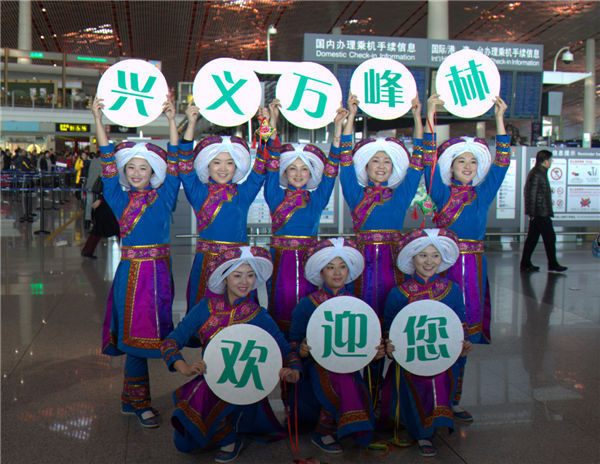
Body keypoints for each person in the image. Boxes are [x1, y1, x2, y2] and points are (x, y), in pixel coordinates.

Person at [160, 246, 301, 463]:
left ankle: (229, 438)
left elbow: (287, 351)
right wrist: (184, 367)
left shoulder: (258, 315)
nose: (245, 282)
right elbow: (171, 341)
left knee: (204, 418)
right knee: (184, 442)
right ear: (224, 278)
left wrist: (293, 371)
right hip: (212, 379)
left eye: (250, 275)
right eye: (237, 275)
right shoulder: (205, 308)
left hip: (247, 386)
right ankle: (224, 430)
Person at [92, 95, 180, 428]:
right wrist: (97, 118)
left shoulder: (166, 194)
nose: (138, 172)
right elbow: (106, 161)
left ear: (153, 172)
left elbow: (175, 161)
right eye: (132, 167)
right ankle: (138, 400)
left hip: (159, 272)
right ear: (125, 172)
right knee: (135, 337)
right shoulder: (117, 195)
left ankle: (133, 399)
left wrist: (173, 121)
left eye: (144, 168)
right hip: (132, 276)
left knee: (150, 334)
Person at [422, 94, 509, 420]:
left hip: (472, 270)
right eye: (462, 162)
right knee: (436, 329)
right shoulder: (439, 190)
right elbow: (428, 159)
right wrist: (431, 112)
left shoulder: (482, 193)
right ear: (451, 167)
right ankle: (429, 394)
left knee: (464, 336)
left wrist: (499, 119)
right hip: (440, 267)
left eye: (473, 162)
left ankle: (452, 400)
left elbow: (501, 164)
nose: (468, 167)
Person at [288, 237, 384, 453]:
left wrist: (375, 353)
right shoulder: (307, 304)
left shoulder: (358, 305)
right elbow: (292, 342)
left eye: (342, 267)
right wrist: (301, 351)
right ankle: (323, 432)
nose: (337, 273)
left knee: (347, 379)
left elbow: (367, 341)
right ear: (321, 273)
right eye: (330, 268)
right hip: (316, 366)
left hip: (348, 364)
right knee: (338, 380)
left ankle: (343, 427)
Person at [382, 228, 472, 457]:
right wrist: (390, 349)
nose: (429, 261)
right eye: (423, 255)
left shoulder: (452, 290)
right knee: (416, 379)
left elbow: (459, 324)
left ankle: (437, 419)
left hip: (440, 356)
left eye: (435, 255)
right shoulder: (399, 293)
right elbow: (390, 329)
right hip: (410, 360)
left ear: (442, 260)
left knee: (440, 374)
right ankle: (422, 433)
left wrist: (463, 345)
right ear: (412, 259)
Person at [263, 99, 348, 335]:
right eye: (292, 168)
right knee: (280, 304)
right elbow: (270, 163)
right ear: (285, 172)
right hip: (281, 261)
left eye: (304, 169)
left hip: (311, 261)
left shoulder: (317, 199)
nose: (298, 174)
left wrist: (337, 130)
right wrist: (272, 123)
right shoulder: (274, 195)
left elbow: (331, 171)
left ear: (311, 174)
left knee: (311, 309)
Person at [339, 93, 424, 320]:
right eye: (375, 160)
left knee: (394, 314)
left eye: (387, 161)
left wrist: (417, 118)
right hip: (361, 263)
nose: (381, 166)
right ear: (366, 166)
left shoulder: (400, 196)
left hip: (394, 263)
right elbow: (345, 160)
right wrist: (352, 117)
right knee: (362, 316)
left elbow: (417, 163)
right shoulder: (356, 194)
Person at [178, 103, 269, 312]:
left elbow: (262, 165)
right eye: (216, 162)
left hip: (239, 262)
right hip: (207, 262)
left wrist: (265, 123)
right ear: (207, 166)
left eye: (229, 163)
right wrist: (191, 123)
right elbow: (184, 164)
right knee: (206, 312)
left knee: (240, 313)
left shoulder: (243, 193)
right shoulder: (198, 192)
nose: (222, 168)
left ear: (236, 167)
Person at [520, 149, 567, 272]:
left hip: (539, 212)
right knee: (550, 238)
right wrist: (532, 213)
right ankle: (552, 264)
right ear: (545, 161)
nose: (551, 162)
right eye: (550, 160)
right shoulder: (537, 174)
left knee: (532, 239)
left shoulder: (539, 172)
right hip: (540, 213)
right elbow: (531, 194)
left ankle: (525, 263)